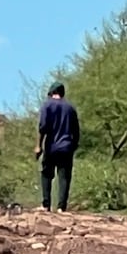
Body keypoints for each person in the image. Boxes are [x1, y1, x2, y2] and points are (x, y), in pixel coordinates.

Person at [34, 81, 80, 213]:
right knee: (64, 177)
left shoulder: (47, 105)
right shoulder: (70, 108)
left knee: (46, 174)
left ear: (51, 93)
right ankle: (61, 207)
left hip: (51, 146)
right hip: (67, 146)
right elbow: (76, 131)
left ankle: (46, 205)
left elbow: (42, 127)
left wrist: (38, 146)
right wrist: (74, 145)